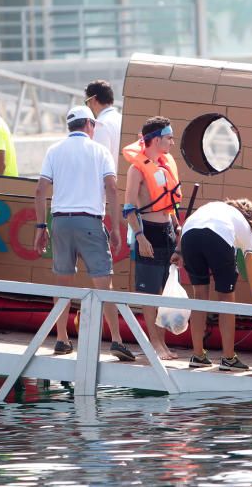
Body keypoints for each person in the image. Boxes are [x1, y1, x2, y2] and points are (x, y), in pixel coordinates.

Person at [33, 105, 134, 360]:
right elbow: (111, 188)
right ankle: (116, 340)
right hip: (89, 221)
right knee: (103, 283)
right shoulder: (99, 151)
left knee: (62, 282)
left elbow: (40, 190)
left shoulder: (54, 150)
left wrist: (40, 226)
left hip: (60, 222)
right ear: (89, 124)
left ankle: (62, 339)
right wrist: (115, 227)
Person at [179, 199, 252, 371]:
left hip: (188, 236)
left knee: (199, 296)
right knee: (226, 299)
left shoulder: (214, 207)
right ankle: (228, 358)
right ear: (251, 220)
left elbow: (188, 225)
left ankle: (198, 355)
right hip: (217, 236)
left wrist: (177, 251)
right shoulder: (246, 228)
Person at [123, 116, 182, 360]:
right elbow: (128, 208)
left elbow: (170, 205)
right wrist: (140, 236)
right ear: (156, 139)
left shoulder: (165, 165)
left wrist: (178, 229)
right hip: (147, 231)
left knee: (164, 292)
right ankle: (155, 345)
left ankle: (163, 344)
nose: (172, 142)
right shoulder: (136, 169)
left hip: (167, 231)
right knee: (150, 295)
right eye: (169, 138)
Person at [85, 80, 122, 164]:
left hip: (110, 176)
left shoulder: (100, 125)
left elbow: (98, 162)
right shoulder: (122, 119)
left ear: (93, 100)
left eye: (87, 102)